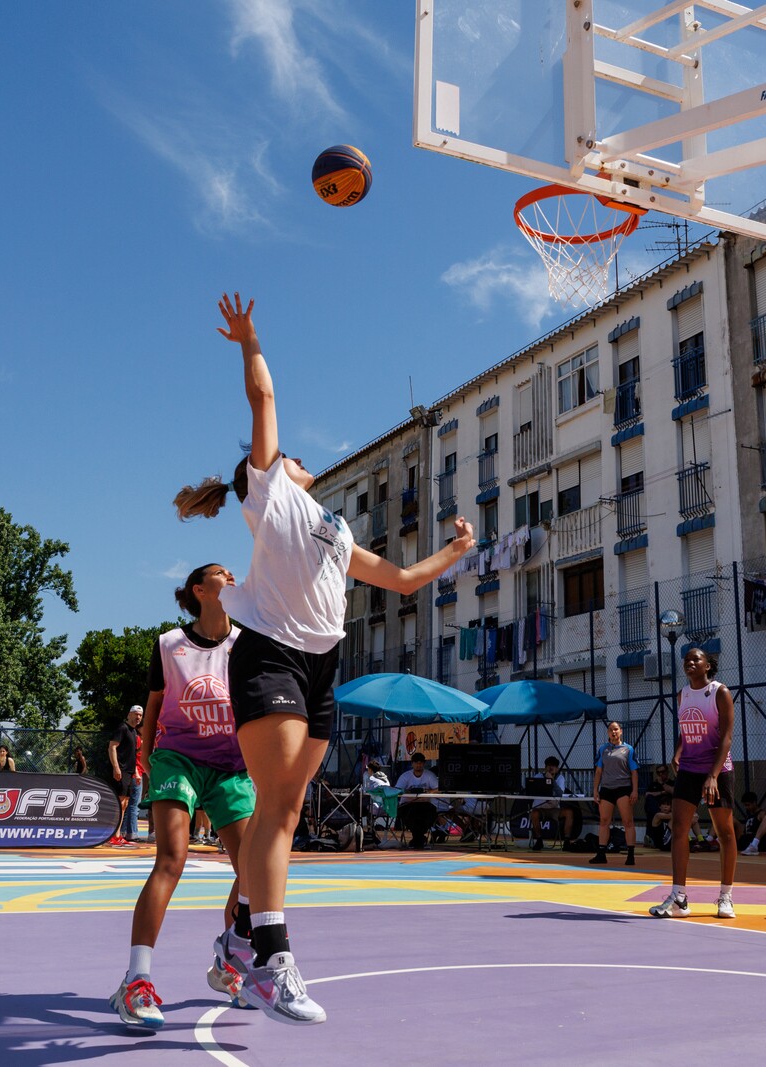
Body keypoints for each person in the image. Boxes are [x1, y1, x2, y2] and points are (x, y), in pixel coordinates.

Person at [171, 293, 476, 1023]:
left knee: (289, 809)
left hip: (320, 672)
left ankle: (235, 940)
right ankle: (273, 959)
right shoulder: (271, 494)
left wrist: (457, 551)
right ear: (267, 473)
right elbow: (265, 394)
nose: (301, 457)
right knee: (277, 810)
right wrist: (250, 340)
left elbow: (399, 579)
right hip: (271, 660)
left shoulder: (334, 527)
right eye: (288, 456)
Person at [112, 563, 258, 1031]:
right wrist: (151, 758)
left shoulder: (248, 643)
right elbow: (154, 706)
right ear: (199, 589)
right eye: (220, 572)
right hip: (179, 758)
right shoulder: (169, 643)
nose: (230, 575)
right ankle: (136, 982)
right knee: (171, 859)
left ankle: (228, 962)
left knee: (254, 871)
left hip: (232, 767)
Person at [650, 648, 737, 920]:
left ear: (708, 665)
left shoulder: (720, 692)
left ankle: (726, 897)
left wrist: (713, 775)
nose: (689, 662)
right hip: (689, 768)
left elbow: (726, 738)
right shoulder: (683, 695)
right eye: (686, 659)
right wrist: (677, 751)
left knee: (724, 831)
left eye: (695, 659)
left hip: (716, 770)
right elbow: (686, 729)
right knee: (679, 828)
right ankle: (679, 898)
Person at [590, 721, 639, 866]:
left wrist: (635, 790)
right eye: (611, 730)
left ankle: (630, 855)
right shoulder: (603, 749)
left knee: (627, 821)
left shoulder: (628, 749)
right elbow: (599, 771)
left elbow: (634, 772)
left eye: (616, 729)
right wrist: (595, 790)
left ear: (621, 731)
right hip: (606, 789)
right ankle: (601, 854)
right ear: (607, 732)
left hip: (623, 788)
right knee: (604, 821)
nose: (614, 732)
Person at [394, 753, 445, 850]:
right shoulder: (405, 776)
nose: (418, 765)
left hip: (425, 805)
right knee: (411, 815)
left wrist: (429, 791)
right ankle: (419, 838)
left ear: (424, 764)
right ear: (412, 764)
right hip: (408, 805)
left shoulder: (429, 775)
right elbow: (397, 790)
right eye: (416, 763)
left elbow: (439, 788)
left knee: (429, 813)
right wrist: (408, 791)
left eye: (421, 763)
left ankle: (417, 838)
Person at [108, 705, 143, 848]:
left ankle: (118, 835)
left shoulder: (134, 732)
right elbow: (112, 747)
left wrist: (136, 771)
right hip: (121, 770)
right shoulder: (122, 728)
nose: (138, 717)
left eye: (140, 715)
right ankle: (112, 835)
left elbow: (132, 755)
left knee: (125, 804)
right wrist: (116, 767)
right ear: (129, 714)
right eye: (135, 714)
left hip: (129, 771)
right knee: (119, 803)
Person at [530, 756, 573, 850]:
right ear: (545, 767)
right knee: (534, 813)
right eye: (548, 766)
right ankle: (539, 840)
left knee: (569, 812)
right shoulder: (538, 777)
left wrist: (551, 781)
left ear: (557, 768)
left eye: (553, 766)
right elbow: (532, 791)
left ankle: (566, 841)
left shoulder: (560, 778)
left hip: (554, 809)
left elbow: (560, 794)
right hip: (541, 808)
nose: (551, 768)